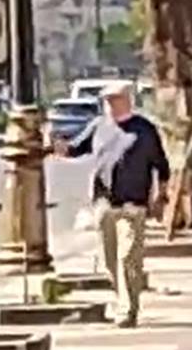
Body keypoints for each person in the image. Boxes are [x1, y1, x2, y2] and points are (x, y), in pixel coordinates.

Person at [53, 81, 171, 329]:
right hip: (104, 202)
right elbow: (75, 149)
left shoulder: (144, 129)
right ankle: (122, 299)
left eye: (114, 100)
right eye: (106, 101)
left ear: (127, 100)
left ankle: (128, 310)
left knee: (128, 257)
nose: (109, 105)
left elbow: (161, 165)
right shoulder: (99, 126)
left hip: (133, 204)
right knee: (109, 260)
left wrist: (160, 195)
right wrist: (56, 146)